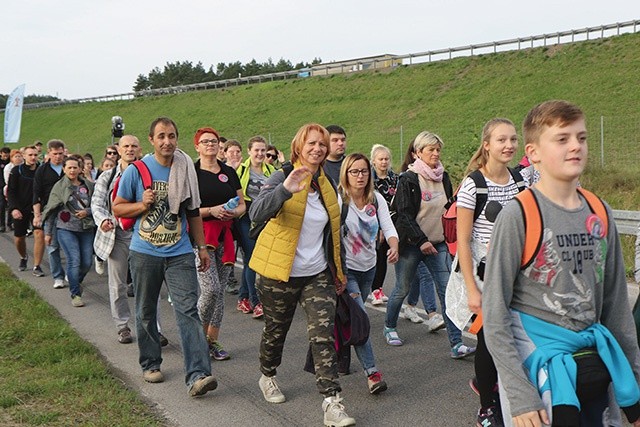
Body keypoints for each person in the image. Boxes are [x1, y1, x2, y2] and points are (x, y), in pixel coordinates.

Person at [484, 101, 640, 427]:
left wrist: (636, 385)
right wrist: (520, 394)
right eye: (562, 139)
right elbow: (495, 315)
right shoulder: (519, 215)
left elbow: (615, 308)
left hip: (593, 364)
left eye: (581, 138)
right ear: (534, 152)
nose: (575, 147)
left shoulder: (599, 211)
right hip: (539, 374)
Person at [249, 123, 355, 427]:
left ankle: (332, 401)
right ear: (299, 146)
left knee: (322, 336)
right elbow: (256, 212)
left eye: (322, 144)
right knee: (276, 331)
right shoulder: (282, 176)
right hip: (278, 273)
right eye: (312, 143)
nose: (318, 149)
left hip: (317, 273)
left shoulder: (327, 184)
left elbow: (335, 232)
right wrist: (284, 191)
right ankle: (267, 375)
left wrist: (339, 270)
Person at [112, 117, 217, 397]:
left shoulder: (185, 168)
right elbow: (119, 208)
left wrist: (202, 247)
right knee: (146, 311)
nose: (167, 141)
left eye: (171, 136)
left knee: (188, 310)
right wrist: (141, 204)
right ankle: (150, 363)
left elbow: (193, 211)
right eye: (161, 136)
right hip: (145, 252)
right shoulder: (137, 170)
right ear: (152, 140)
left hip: (180, 252)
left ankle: (198, 375)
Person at [454, 118, 525, 427]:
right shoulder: (473, 185)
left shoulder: (521, 182)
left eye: (512, 139)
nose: (509, 145)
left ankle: (510, 394)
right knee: (488, 340)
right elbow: (464, 242)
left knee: (516, 337)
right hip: (485, 276)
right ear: (487, 145)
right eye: (501, 140)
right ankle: (487, 405)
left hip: (518, 275)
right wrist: (472, 289)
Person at [384, 131, 475, 359]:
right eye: (430, 150)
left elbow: (446, 208)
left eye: (437, 149)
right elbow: (404, 215)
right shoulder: (409, 179)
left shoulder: (442, 177)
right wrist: (421, 241)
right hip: (412, 244)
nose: (435, 154)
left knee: (447, 292)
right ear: (418, 153)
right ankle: (389, 326)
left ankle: (456, 344)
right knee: (401, 289)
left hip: (438, 244)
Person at [339, 152, 398, 394]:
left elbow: (389, 225)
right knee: (360, 319)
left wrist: (394, 245)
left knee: (349, 318)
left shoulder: (376, 199)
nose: (360, 176)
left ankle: (341, 357)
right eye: (354, 171)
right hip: (347, 270)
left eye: (364, 171)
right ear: (346, 174)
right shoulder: (340, 199)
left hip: (369, 268)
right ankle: (372, 373)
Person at [193, 126, 246, 360]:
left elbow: (243, 204)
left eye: (213, 141)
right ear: (197, 147)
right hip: (202, 237)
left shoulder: (228, 172)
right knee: (210, 289)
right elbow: (188, 208)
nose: (210, 145)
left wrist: (233, 213)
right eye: (205, 142)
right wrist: (211, 210)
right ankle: (195, 336)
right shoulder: (192, 172)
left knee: (220, 292)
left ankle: (212, 341)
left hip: (227, 235)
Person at [91, 135, 141, 343]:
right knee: (118, 284)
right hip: (117, 236)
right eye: (126, 146)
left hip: (142, 234)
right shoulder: (107, 176)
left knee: (147, 284)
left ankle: (152, 328)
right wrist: (103, 220)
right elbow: (97, 203)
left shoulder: (146, 173)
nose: (130, 149)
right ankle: (122, 326)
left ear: (139, 150)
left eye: (134, 146)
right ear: (119, 150)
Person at [42, 156, 95, 307]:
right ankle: (75, 294)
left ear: (80, 169)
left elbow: (99, 205)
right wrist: (48, 233)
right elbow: (51, 210)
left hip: (86, 228)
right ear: (64, 169)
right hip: (65, 229)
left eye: (75, 167)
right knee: (74, 259)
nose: (72, 170)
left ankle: (75, 281)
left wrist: (87, 211)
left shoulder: (89, 186)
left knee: (86, 262)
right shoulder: (59, 187)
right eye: (69, 167)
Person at [235, 135, 275, 319]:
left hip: (264, 217)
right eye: (256, 150)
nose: (260, 153)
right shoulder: (240, 170)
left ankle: (243, 297)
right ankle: (256, 301)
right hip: (245, 216)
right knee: (252, 257)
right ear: (249, 151)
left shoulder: (272, 171)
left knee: (254, 258)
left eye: (262, 150)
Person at [33, 139, 67, 289]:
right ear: (49, 153)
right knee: (52, 246)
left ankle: (72, 272)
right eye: (55, 154)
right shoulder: (42, 170)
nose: (58, 157)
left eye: (60, 154)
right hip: (50, 212)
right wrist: (37, 215)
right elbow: (36, 194)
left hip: (69, 212)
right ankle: (58, 276)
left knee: (70, 245)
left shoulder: (69, 167)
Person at [7, 146, 45, 276]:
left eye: (35, 155)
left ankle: (37, 266)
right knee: (19, 238)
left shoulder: (42, 170)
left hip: (37, 208)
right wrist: (13, 209)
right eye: (30, 155)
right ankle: (23, 257)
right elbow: (11, 191)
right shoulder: (16, 171)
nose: (33, 157)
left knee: (39, 234)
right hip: (20, 208)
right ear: (24, 156)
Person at [370, 144, 397, 306]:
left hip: (393, 223)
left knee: (387, 256)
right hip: (375, 224)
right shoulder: (369, 181)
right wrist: (379, 227)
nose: (384, 162)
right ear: (373, 161)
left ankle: (378, 288)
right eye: (380, 159)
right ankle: (375, 289)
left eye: (386, 159)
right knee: (378, 257)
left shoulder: (395, 179)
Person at [0, 147, 10, 232]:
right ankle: (2, 224)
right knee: (2, 205)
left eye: (7, 152)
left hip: (10, 186)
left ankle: (10, 223)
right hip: (1, 186)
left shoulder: (10, 162)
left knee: (12, 205)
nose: (6, 154)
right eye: (4, 152)